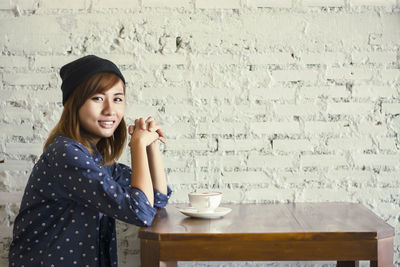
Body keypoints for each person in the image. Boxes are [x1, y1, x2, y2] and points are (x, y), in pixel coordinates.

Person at [8, 55, 172, 267]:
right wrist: (137, 146)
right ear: (74, 103)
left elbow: (156, 199)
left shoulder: (96, 158)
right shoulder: (66, 153)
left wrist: (152, 145)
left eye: (117, 98)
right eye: (97, 98)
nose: (110, 110)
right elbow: (140, 212)